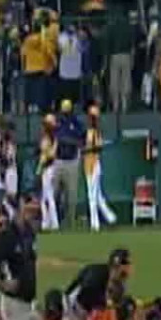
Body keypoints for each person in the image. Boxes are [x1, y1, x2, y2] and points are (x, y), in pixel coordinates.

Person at [64, 247, 132, 320]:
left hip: (85, 306)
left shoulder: (117, 282)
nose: (129, 267)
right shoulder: (96, 279)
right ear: (116, 266)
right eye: (126, 264)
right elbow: (81, 301)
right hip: (71, 304)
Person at [82, 104, 116, 232]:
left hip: (94, 164)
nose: (89, 119)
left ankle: (94, 224)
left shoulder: (95, 132)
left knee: (92, 195)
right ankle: (111, 217)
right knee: (98, 195)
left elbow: (98, 147)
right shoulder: (89, 131)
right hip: (88, 164)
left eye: (91, 117)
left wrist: (86, 149)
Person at [53, 99, 83, 227]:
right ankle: (55, 221)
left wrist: (69, 141)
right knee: (54, 194)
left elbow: (80, 139)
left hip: (72, 161)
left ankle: (70, 221)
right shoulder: (57, 122)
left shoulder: (75, 122)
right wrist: (67, 140)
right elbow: (57, 137)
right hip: (58, 161)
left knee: (71, 196)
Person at [37, 113, 60, 231]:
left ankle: (54, 223)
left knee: (48, 197)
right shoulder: (46, 137)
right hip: (46, 168)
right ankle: (46, 223)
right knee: (43, 198)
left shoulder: (52, 138)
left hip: (49, 168)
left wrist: (42, 168)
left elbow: (51, 156)